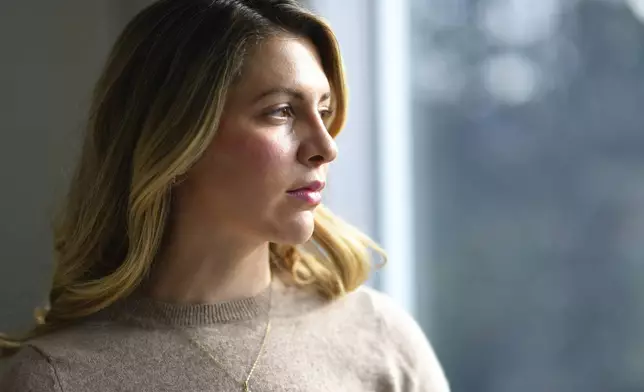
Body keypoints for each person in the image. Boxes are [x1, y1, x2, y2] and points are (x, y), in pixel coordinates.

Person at [0, 0, 450, 390]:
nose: (325, 147)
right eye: (281, 112)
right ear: (176, 138)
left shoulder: (379, 339)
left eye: (324, 110)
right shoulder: (56, 379)